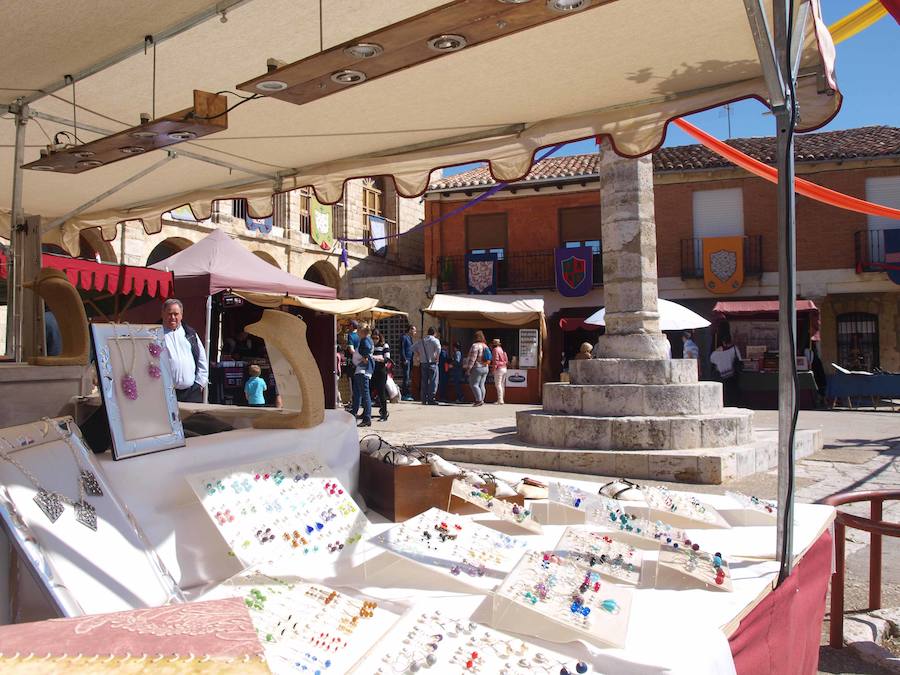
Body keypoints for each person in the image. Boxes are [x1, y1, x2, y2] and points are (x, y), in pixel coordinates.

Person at [161, 298, 208, 403]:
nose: (173, 317)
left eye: (176, 314)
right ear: (163, 314)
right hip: (164, 394)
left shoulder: (190, 333)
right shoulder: (154, 335)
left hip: (191, 393)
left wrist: (200, 383)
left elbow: (202, 358)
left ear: (181, 315)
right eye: (169, 314)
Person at [351, 325, 374, 427]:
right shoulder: (366, 340)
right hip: (361, 370)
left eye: (359, 331)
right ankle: (360, 414)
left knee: (365, 395)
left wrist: (365, 357)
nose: (357, 332)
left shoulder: (365, 340)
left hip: (363, 370)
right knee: (360, 394)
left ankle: (367, 418)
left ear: (362, 331)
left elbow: (367, 350)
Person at [710, 338, 742, 406]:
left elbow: (711, 359)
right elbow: (740, 359)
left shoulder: (716, 352)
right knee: (733, 390)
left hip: (722, 375)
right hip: (733, 374)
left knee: (725, 390)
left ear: (723, 342)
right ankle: (734, 403)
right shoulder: (734, 348)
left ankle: (726, 403)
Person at [414, 327, 441, 405]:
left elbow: (413, 348)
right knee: (433, 381)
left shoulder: (421, 341)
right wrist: (437, 357)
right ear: (434, 333)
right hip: (432, 363)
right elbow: (439, 349)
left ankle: (423, 399)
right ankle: (431, 399)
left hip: (423, 363)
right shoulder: (435, 340)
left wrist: (419, 355)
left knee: (424, 381)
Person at [464, 330, 491, 406]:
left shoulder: (475, 346)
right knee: (482, 384)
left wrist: (468, 369)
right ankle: (482, 400)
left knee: (474, 384)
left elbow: (473, 358)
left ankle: (478, 400)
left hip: (477, 367)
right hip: (485, 367)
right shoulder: (485, 345)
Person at [371, 329, 391, 422]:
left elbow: (387, 359)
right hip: (372, 371)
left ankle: (384, 413)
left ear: (380, 337)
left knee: (381, 392)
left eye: (376, 338)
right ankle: (366, 412)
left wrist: (376, 358)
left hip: (381, 371)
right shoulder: (370, 346)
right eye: (373, 338)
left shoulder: (384, 345)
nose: (375, 340)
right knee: (368, 392)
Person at [400, 325, 417, 401]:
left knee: (408, 377)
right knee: (406, 377)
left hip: (410, 360)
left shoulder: (410, 338)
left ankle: (407, 393)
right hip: (406, 360)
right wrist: (404, 359)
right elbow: (402, 349)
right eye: (414, 330)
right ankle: (404, 394)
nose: (415, 332)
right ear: (410, 330)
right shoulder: (404, 337)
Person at [490, 338, 509, 404]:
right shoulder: (501, 349)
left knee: (498, 384)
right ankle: (501, 399)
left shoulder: (495, 350)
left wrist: (493, 369)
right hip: (504, 368)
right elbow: (506, 360)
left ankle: (500, 400)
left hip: (499, 368)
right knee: (502, 384)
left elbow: (496, 360)